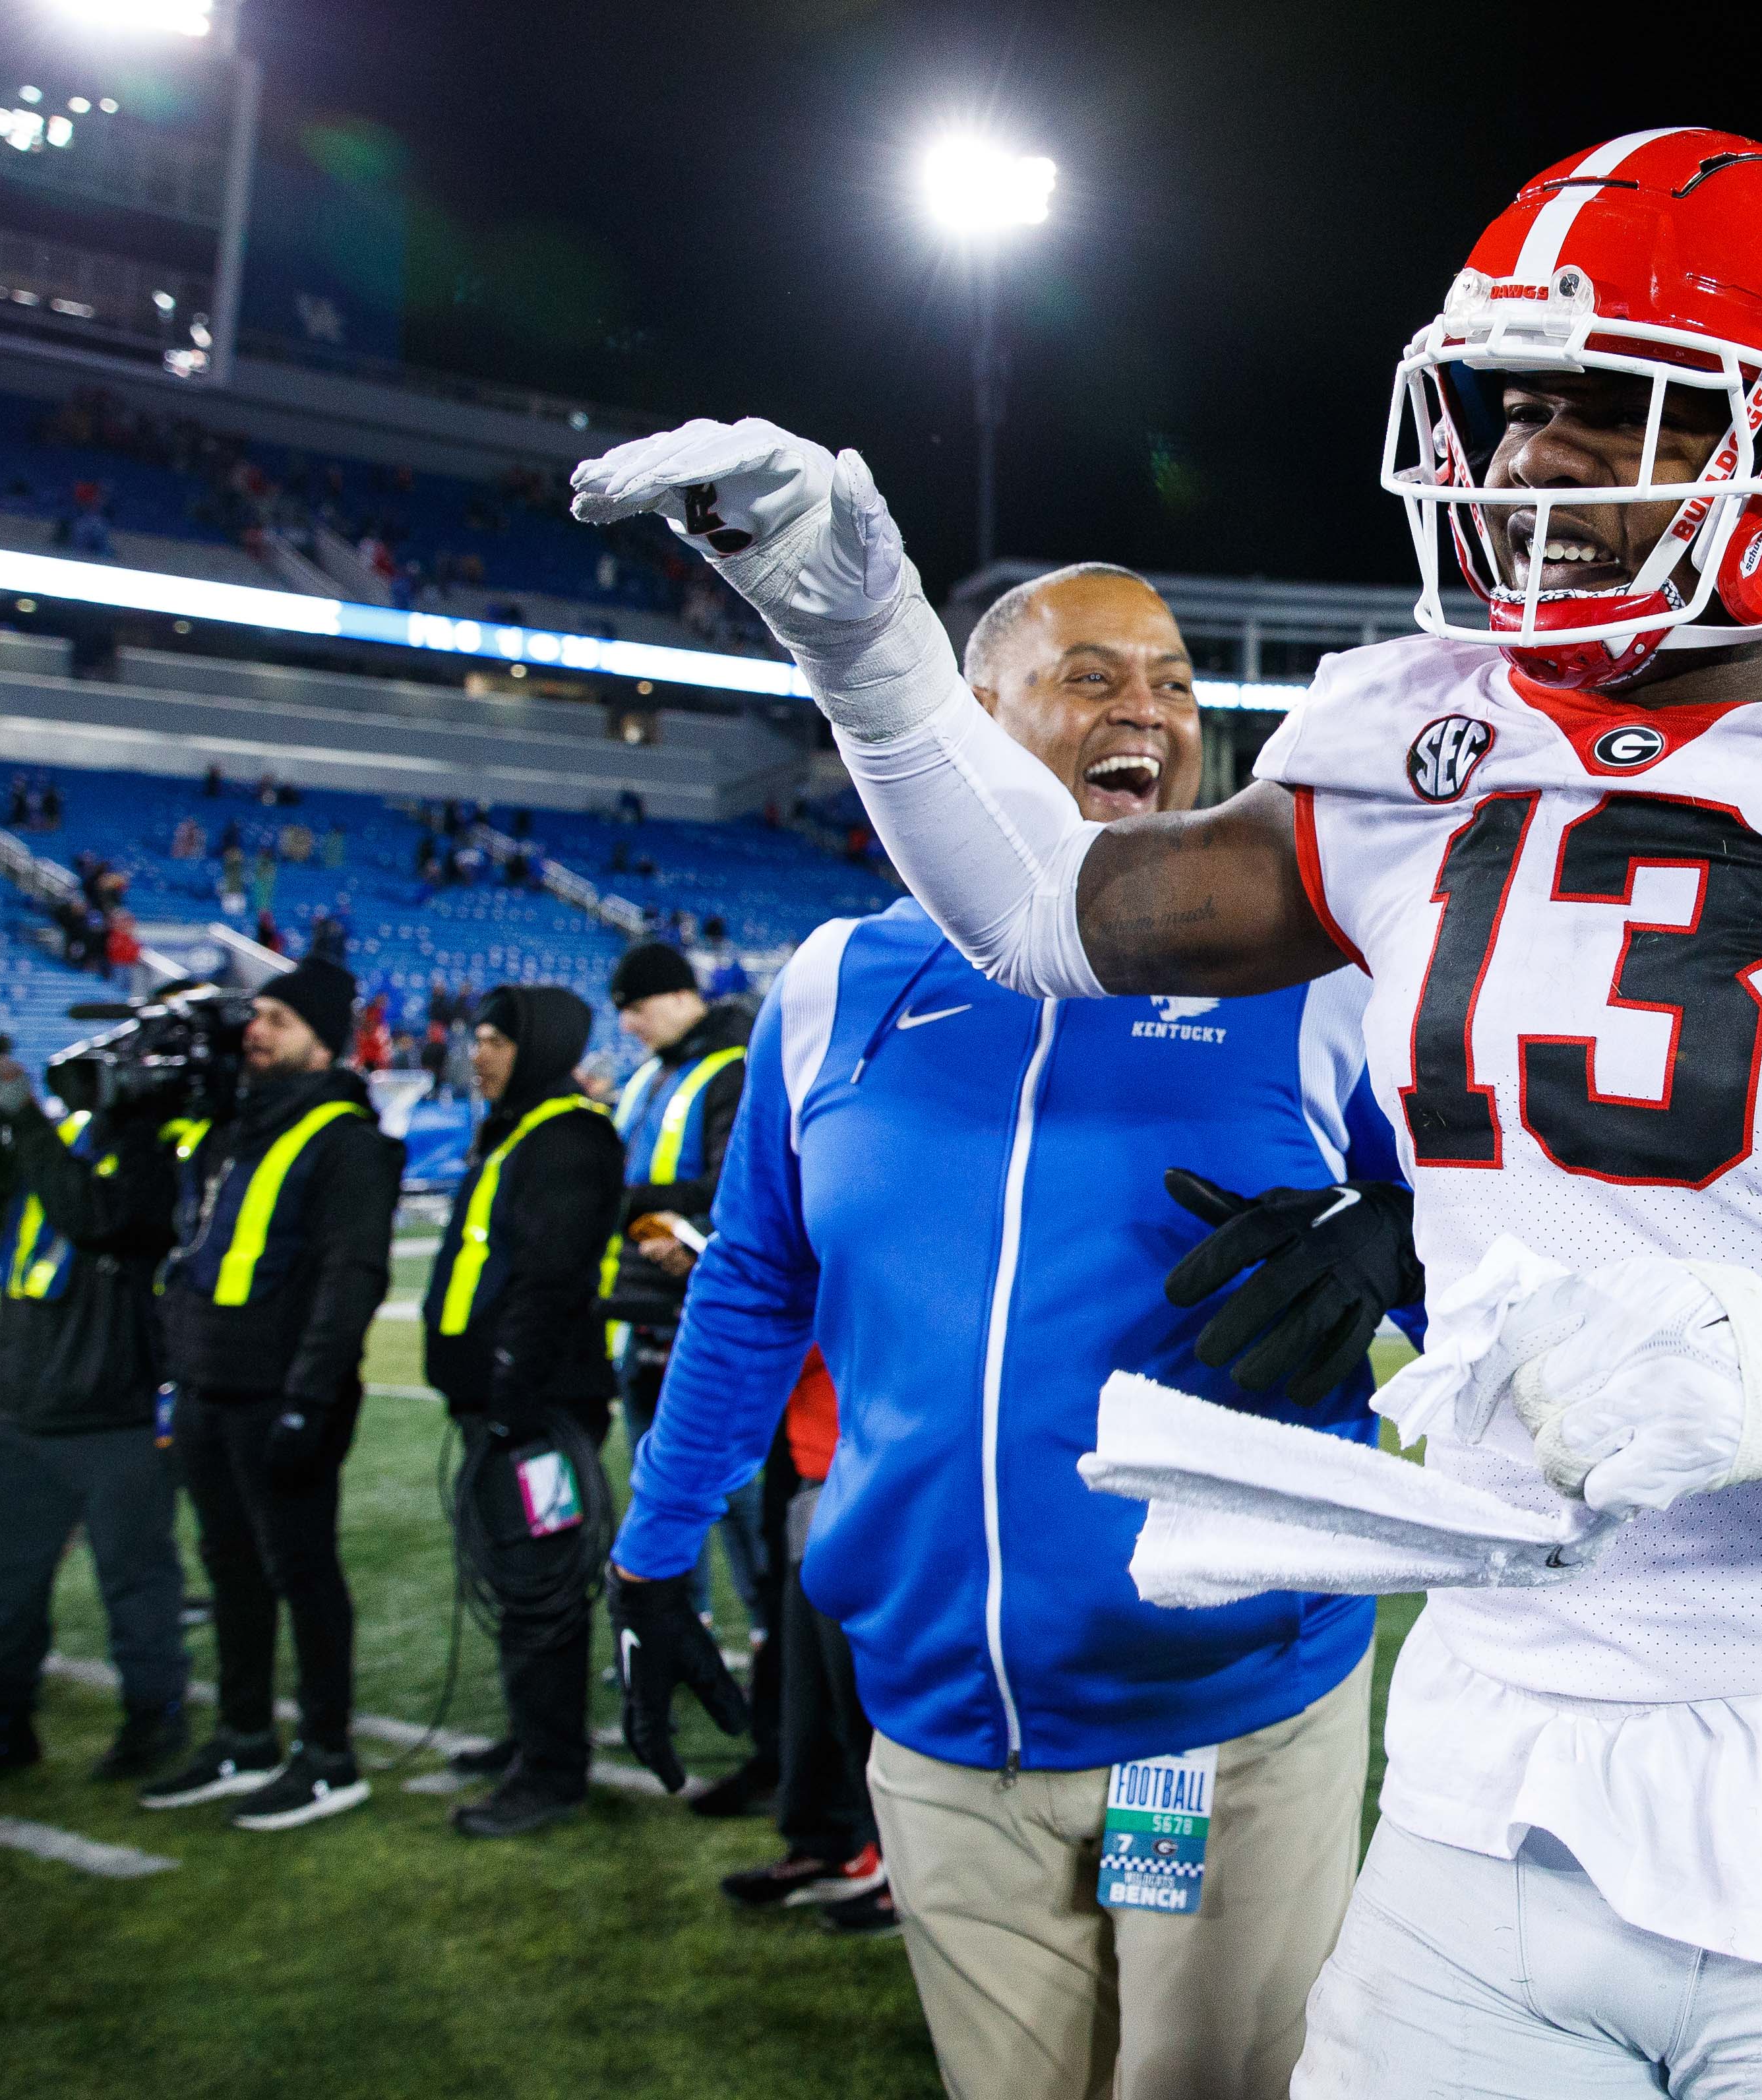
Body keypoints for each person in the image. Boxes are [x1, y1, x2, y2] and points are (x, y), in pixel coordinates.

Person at [573, 129, 1762, 2093]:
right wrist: (860, 637)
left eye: (1607, 410)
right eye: (1509, 405)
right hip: (1487, 1772)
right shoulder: (1411, 741)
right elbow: (1050, 905)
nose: (1527, 463)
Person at [603, 562, 1424, 2100]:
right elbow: (755, 1285)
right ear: (967, 723)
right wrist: (655, 1547)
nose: (1152, 712)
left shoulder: (1320, 980)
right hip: (938, 1729)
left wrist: (1405, 1231)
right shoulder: (835, 983)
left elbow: (1515, 1254)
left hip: (1225, 1716)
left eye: (1175, 682)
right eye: (1097, 675)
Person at [142, 959, 402, 1830]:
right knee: (231, 1571)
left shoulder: (346, 1139)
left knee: (302, 1571)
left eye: (279, 1019)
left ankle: (330, 1755)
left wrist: (309, 1398)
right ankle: (244, 1732)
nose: (257, 1030)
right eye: (256, 1015)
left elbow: (349, 1277)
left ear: (322, 1038)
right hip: (211, 1386)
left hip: (280, 1394)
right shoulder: (234, 1125)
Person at [0, 1051, 187, 1788]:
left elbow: (97, 1217)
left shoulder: (158, 1156)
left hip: (114, 1412)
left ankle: (153, 1718)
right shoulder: (58, 1144)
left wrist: (29, 1119)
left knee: (136, 1582)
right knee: (0, 1584)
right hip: (18, 1407)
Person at [423, 985, 627, 1838]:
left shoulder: (570, 1138)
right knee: (516, 1585)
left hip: (539, 1417)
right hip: (508, 1411)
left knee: (542, 1592)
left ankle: (551, 1774)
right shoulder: (517, 1134)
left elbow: (550, 1279)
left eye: (496, 1040)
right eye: (476, 1038)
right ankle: (530, 1739)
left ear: (536, 1048)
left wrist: (511, 1389)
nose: (480, 1053)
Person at [600, 937, 772, 1812]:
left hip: (702, 1308)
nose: (626, 1023)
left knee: (737, 1505)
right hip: (639, 1309)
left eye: (636, 1004)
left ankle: (773, 1661)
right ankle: (675, 1635)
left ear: (676, 996)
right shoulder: (653, 1075)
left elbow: (730, 1193)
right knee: (659, 1492)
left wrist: (623, 1208)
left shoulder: (735, 1068)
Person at [711, 1349, 896, 1938]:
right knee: (810, 1688)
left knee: (870, 1696)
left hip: (877, 1469)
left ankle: (907, 1870)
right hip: (817, 1464)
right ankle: (834, 1843)